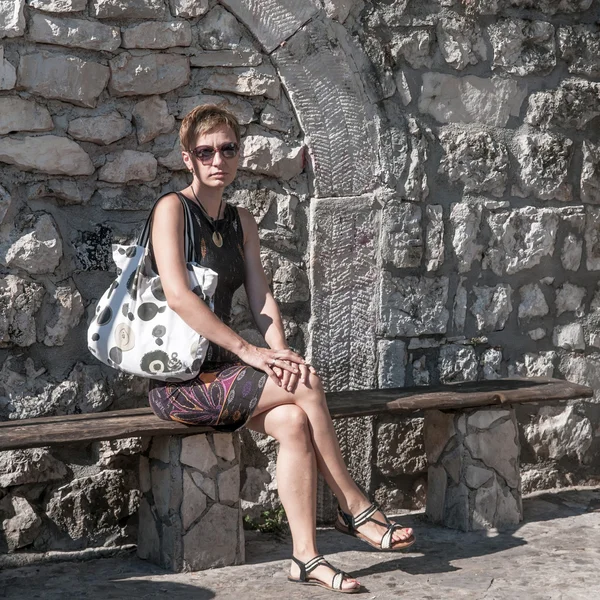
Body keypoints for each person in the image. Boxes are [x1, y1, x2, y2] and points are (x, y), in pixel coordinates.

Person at [148, 104, 415, 593]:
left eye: (227, 148)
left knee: (293, 418)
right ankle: (354, 508)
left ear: (238, 152)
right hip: (181, 381)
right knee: (309, 384)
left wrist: (281, 353)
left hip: (225, 375)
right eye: (205, 152)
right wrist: (253, 354)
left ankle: (306, 559)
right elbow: (178, 297)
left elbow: (262, 297)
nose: (217, 160)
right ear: (188, 159)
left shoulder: (240, 220)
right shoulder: (172, 210)